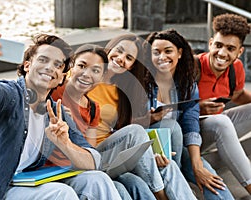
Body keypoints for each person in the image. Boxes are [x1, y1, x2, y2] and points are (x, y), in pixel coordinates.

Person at [0, 31, 122, 200]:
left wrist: (66, 144)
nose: (50, 67)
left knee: (97, 179)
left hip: (28, 185)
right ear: (27, 65)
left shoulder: (55, 112)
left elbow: (92, 162)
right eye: (43, 60)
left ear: (61, 78)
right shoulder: (11, 95)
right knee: (61, 194)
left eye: (58, 65)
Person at [87, 33, 197, 200]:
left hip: (115, 150)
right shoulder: (85, 76)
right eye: (119, 51)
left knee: (168, 165)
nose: (121, 58)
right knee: (136, 136)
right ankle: (161, 195)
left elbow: (121, 129)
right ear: (109, 48)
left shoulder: (122, 91)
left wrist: (148, 153)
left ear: (131, 66)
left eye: (129, 57)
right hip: (92, 153)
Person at [142, 29, 234, 199]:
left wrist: (197, 163)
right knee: (172, 126)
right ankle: (177, 184)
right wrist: (147, 119)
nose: (162, 57)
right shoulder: (142, 82)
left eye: (168, 51)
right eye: (156, 52)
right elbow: (128, 125)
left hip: (178, 149)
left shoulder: (187, 84)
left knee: (212, 180)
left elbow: (191, 123)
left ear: (179, 53)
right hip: (149, 149)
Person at [51, 43, 132, 199]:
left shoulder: (93, 108)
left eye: (95, 71)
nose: (86, 74)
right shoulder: (53, 92)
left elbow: (90, 152)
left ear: (101, 77)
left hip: (75, 168)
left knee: (129, 183)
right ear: (72, 67)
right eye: (82, 66)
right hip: (50, 172)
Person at [196, 13, 251, 195]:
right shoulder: (192, 67)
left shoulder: (236, 69)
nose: (222, 53)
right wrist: (198, 107)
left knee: (222, 121)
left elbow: (238, 96)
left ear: (239, 52)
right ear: (210, 43)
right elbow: (169, 109)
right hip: (191, 134)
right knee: (221, 122)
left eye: (230, 48)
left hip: (219, 126)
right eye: (218, 45)